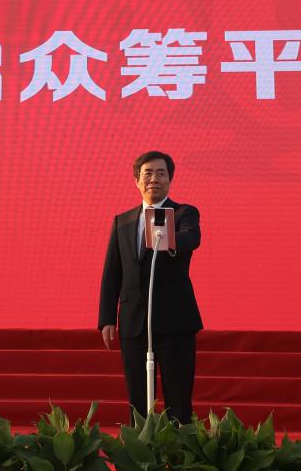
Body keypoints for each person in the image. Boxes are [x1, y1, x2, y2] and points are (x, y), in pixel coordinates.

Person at [98, 151, 202, 424]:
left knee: (178, 398)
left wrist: (168, 237)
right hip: (134, 321)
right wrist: (107, 318)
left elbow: (192, 238)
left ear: (169, 180)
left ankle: (179, 448)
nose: (154, 179)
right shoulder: (123, 221)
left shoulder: (183, 213)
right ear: (137, 180)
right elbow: (113, 271)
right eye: (147, 173)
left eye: (160, 173)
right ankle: (140, 447)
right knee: (138, 398)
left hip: (174, 322)